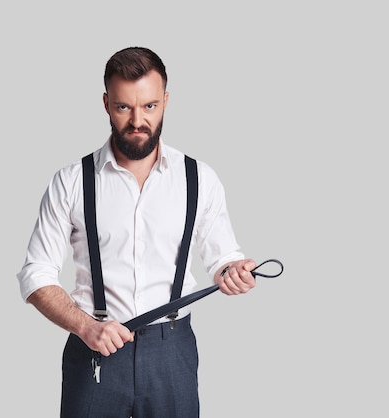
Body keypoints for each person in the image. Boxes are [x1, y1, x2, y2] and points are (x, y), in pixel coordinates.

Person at [16, 46, 257, 418]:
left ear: (165, 101)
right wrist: (85, 327)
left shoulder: (199, 178)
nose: (137, 120)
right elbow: (35, 276)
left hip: (171, 352)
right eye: (123, 107)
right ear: (106, 103)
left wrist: (233, 272)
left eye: (149, 106)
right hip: (93, 349)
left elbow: (222, 257)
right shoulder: (71, 182)